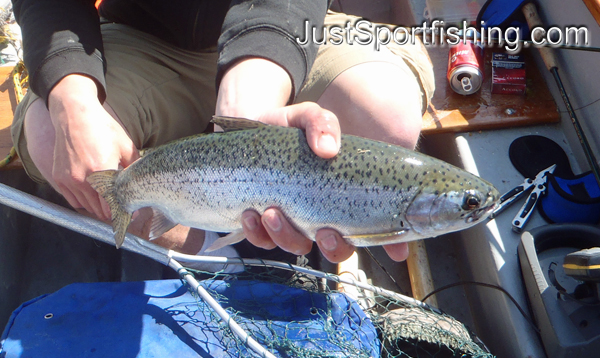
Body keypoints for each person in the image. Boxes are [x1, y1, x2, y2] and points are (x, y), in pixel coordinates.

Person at [10, 0, 434, 264]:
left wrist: (245, 105)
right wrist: (73, 101)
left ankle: (267, 221)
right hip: (140, 37)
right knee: (51, 133)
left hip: (289, 30)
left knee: (386, 117)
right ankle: (211, 252)